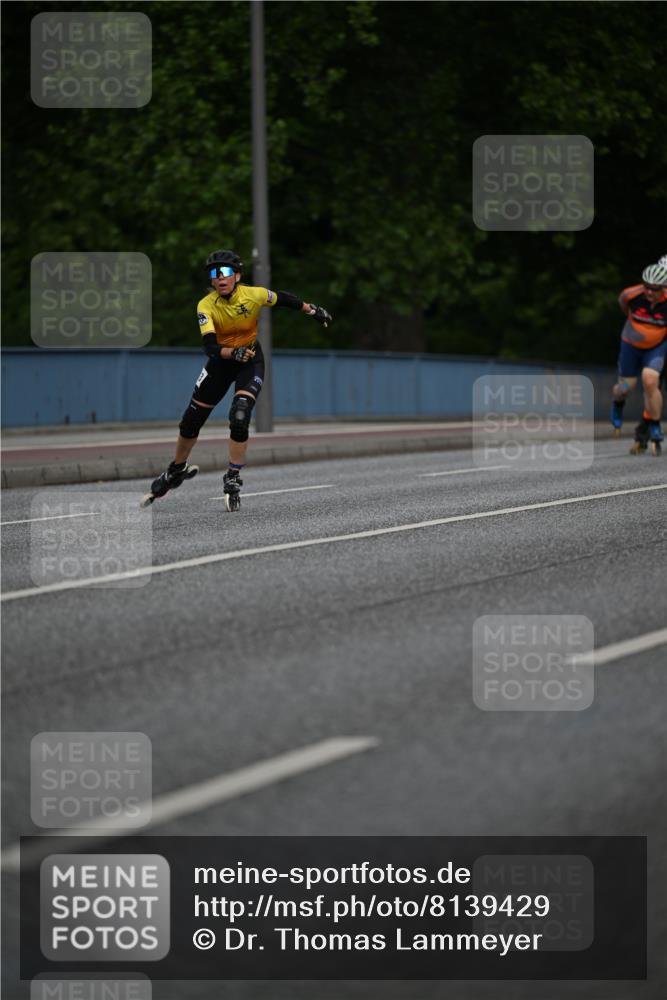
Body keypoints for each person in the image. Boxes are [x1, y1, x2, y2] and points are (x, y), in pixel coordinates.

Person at [144, 249, 332, 510]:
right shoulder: (205, 305)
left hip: (250, 362)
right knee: (190, 422)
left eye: (225, 272)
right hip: (220, 364)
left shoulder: (253, 294)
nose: (219, 278)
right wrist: (234, 352)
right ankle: (176, 469)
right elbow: (210, 347)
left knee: (240, 415)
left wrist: (313, 311)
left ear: (237, 276)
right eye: (214, 273)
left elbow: (285, 300)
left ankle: (232, 476)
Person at [610, 261, 667, 454]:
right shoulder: (631, 295)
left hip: (656, 347)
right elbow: (623, 306)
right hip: (631, 345)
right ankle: (618, 403)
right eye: (647, 287)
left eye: (655, 289)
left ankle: (655, 427)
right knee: (625, 388)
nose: (649, 292)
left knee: (651, 381)